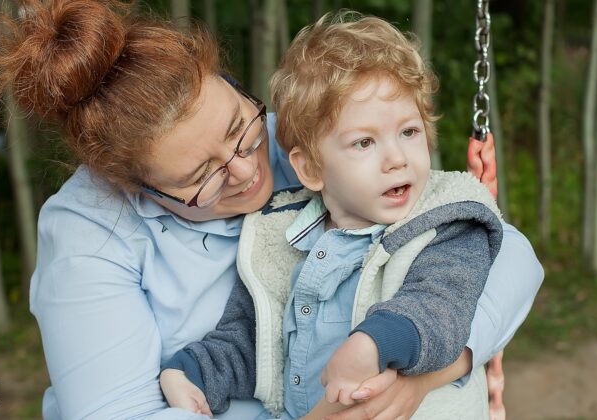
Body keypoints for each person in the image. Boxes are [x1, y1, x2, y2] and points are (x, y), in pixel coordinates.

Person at [0, 0, 543, 418]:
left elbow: (491, 248)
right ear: (137, 187)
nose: (249, 170)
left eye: (240, 131)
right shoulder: (89, 232)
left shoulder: (307, 144)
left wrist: (433, 370)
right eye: (203, 176)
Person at [158, 14, 508, 419]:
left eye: (409, 132)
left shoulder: (445, 225)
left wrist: (373, 344)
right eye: (364, 142)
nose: (397, 158)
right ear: (310, 169)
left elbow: (440, 307)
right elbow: (250, 339)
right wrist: (192, 372)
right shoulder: (284, 238)